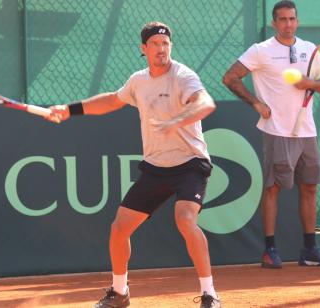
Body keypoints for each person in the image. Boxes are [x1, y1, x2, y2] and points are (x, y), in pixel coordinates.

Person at [46, 21, 221, 308]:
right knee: (119, 229)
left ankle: (209, 294)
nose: (161, 49)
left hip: (191, 162)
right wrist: (69, 110)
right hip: (156, 167)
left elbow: (205, 103)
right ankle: (119, 292)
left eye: (165, 44)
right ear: (144, 48)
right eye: (155, 44)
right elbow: (112, 101)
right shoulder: (138, 81)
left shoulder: (183, 75)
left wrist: (177, 120)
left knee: (185, 219)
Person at [222, 0, 320, 269]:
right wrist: (256, 103)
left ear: (297, 21)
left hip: (307, 132)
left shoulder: (310, 50)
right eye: (282, 19)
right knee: (273, 189)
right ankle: (269, 250)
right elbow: (230, 77)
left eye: (292, 19)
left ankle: (310, 250)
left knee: (309, 188)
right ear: (274, 23)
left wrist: (308, 83)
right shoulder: (261, 51)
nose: (288, 24)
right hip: (277, 131)